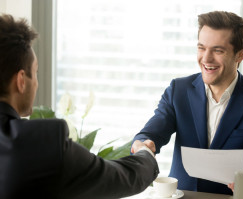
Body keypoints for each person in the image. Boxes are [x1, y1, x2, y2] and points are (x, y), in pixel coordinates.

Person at [0, 14, 159, 199]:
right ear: (21, 81)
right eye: (35, 73)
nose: (36, 82)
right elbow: (121, 177)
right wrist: (145, 153)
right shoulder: (42, 144)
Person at [131, 11, 243, 195]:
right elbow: (149, 134)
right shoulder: (178, 91)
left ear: (240, 54)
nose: (206, 58)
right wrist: (142, 145)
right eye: (201, 48)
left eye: (218, 50)